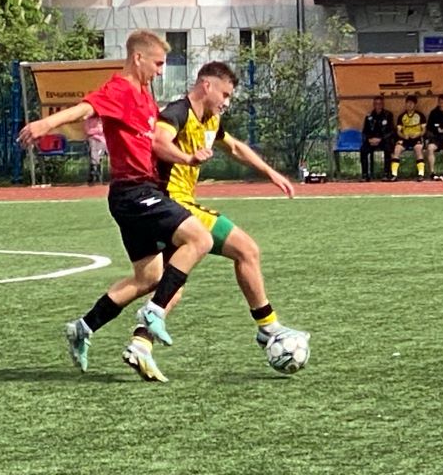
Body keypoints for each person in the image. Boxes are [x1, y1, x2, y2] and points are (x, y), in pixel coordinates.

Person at [18, 29, 214, 376]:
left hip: (139, 193)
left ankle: (83, 328)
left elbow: (154, 144)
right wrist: (45, 123)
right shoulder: (119, 89)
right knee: (200, 239)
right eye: (157, 64)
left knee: (149, 276)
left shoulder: (144, 97)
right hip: (134, 193)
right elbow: (85, 108)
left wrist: (186, 158)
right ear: (138, 58)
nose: (160, 72)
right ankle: (154, 312)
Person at [123, 61, 309, 382]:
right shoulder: (178, 112)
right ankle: (268, 327)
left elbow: (234, 147)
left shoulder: (211, 120)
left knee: (172, 286)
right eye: (225, 94)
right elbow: (158, 139)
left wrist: (271, 173)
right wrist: (186, 157)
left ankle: (140, 344)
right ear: (206, 85)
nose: (227, 102)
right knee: (246, 249)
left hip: (179, 205)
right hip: (172, 204)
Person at [391, 95, 426, 182]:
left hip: (416, 138)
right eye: (408, 103)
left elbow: (424, 130)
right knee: (397, 148)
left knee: (418, 149)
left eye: (411, 103)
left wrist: (418, 134)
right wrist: (403, 136)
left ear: (415, 104)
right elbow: (399, 131)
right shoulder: (402, 116)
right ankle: (394, 174)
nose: (409, 105)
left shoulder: (420, 115)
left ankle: (421, 174)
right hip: (405, 138)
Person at [360, 95, 394, 181]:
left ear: (383, 105)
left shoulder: (388, 115)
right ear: (373, 105)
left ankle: (386, 174)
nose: (378, 106)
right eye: (376, 104)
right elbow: (365, 131)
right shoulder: (369, 116)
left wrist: (380, 139)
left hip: (383, 140)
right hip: (371, 140)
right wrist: (369, 139)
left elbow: (391, 131)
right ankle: (365, 175)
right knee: (363, 150)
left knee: (388, 148)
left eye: (380, 104)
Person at [84, 115, 106, 184]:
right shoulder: (88, 119)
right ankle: (95, 170)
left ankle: (95, 169)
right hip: (92, 138)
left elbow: (104, 129)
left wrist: (98, 131)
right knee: (93, 148)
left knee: (100, 151)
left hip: (103, 140)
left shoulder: (102, 118)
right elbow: (87, 131)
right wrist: (96, 132)